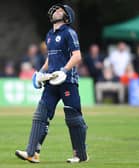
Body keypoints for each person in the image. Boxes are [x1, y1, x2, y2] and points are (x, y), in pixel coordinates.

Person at [15, 4, 88, 164]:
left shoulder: (69, 32)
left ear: (67, 16)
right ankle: (32, 152)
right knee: (40, 115)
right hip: (51, 81)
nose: (56, 11)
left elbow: (77, 56)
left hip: (67, 81)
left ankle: (81, 154)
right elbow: (50, 57)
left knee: (73, 119)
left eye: (60, 10)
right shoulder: (49, 34)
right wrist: (40, 72)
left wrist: (64, 70)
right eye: (55, 10)